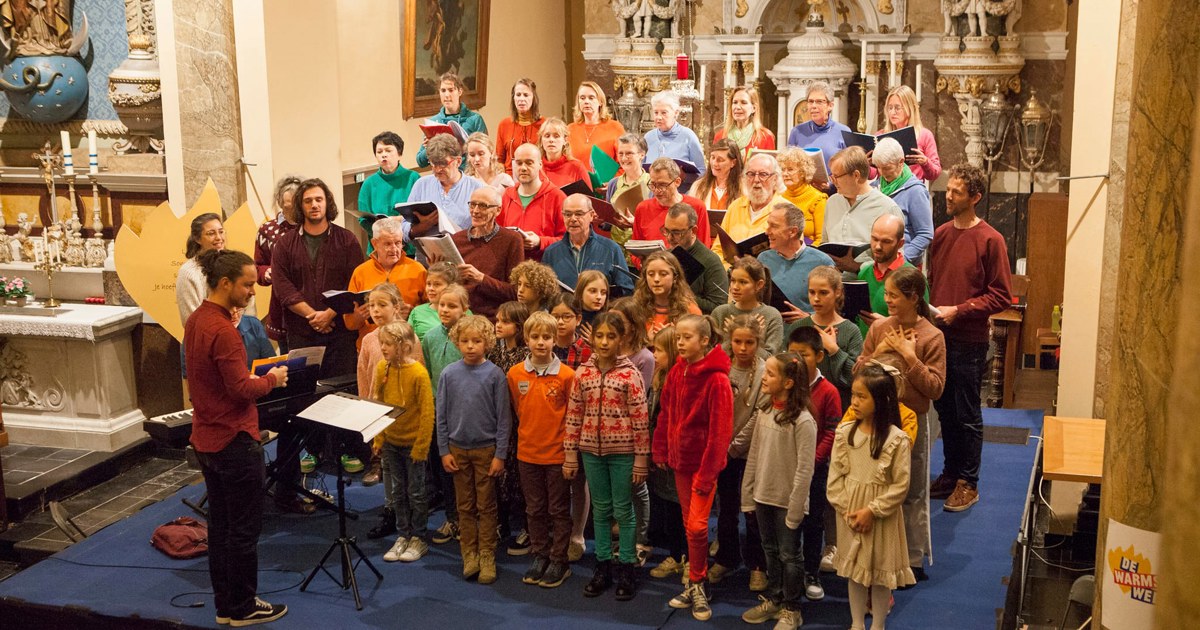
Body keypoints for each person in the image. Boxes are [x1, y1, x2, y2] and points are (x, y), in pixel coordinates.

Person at [185, 248, 289, 627]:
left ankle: (225, 605)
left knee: (221, 528)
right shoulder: (224, 331)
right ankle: (244, 607)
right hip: (234, 439)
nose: (252, 290)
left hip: (207, 438)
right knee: (243, 531)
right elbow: (240, 389)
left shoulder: (198, 319)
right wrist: (272, 379)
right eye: (247, 284)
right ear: (225, 283)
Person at [928, 164, 1012, 512]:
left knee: (967, 413)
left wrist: (959, 310)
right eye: (948, 189)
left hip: (969, 339)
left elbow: (1001, 295)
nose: (948, 195)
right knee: (944, 410)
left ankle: (969, 482)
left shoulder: (991, 239)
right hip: (939, 337)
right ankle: (950, 472)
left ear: (975, 198)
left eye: (957, 192)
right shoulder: (942, 234)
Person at [854, 266, 946, 582]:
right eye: (888, 294)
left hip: (912, 424)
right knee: (876, 487)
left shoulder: (933, 336)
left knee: (912, 489)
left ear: (913, 297)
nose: (888, 301)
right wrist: (878, 352)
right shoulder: (880, 329)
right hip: (877, 421)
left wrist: (910, 356)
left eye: (893, 295)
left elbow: (935, 388)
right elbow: (859, 375)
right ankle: (880, 554)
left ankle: (913, 557)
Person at [566, 312, 650, 601]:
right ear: (591, 337)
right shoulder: (583, 374)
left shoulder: (630, 374)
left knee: (623, 510)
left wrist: (641, 459)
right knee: (601, 510)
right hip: (591, 452)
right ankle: (602, 565)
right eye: (599, 335)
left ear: (621, 339)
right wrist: (570, 455)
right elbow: (574, 415)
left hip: (623, 453)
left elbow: (640, 419)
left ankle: (626, 565)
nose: (603, 341)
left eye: (610, 336)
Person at [657, 314, 733, 622]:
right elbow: (665, 413)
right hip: (680, 464)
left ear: (704, 341)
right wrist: (661, 448)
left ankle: (699, 582)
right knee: (690, 524)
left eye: (686, 338)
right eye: (678, 338)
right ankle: (694, 581)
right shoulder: (676, 372)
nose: (680, 343)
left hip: (703, 468)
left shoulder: (717, 380)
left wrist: (707, 474)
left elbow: (719, 434)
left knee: (699, 526)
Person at [827, 365, 916, 630]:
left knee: (879, 576)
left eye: (861, 396)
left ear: (882, 400)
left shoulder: (896, 440)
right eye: (853, 395)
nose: (854, 402)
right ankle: (856, 623)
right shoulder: (845, 433)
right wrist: (848, 510)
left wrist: (872, 511)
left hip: (881, 518)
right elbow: (835, 478)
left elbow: (900, 485)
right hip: (850, 515)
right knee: (854, 574)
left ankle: (878, 624)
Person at [738, 353, 817, 630]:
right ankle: (774, 598)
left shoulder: (804, 421)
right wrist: (748, 494)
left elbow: (805, 470)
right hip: (763, 496)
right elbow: (755, 456)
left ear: (788, 382)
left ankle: (792, 608)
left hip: (787, 502)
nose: (764, 378)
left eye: (770, 374)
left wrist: (796, 509)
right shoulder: (766, 412)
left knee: (789, 555)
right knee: (769, 550)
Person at [436, 314, 513, 585]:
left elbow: (504, 419)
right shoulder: (448, 374)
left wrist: (500, 454)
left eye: (477, 341)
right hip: (457, 450)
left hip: (486, 451)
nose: (470, 346)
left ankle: (487, 554)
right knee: (464, 506)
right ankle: (469, 554)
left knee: (486, 505)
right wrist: (444, 450)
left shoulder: (495, 374)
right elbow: (441, 415)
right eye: (465, 341)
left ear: (487, 342)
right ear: (457, 342)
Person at [509, 311, 576, 589]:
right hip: (528, 454)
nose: (541, 342)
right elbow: (517, 410)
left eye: (547, 337)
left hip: (557, 455)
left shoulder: (567, 375)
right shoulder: (514, 374)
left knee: (558, 509)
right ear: (526, 339)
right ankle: (540, 554)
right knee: (534, 508)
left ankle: (559, 558)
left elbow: (572, 417)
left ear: (555, 339)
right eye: (535, 337)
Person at [271, 178, 363, 379]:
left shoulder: (347, 240)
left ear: (327, 203)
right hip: (301, 333)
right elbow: (283, 287)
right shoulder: (285, 245)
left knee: (342, 393)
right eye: (308, 201)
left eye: (319, 199)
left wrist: (329, 314)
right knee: (305, 395)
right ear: (300, 206)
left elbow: (354, 282)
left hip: (340, 333)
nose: (314, 205)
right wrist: (313, 316)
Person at [784, 327, 846, 602]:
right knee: (787, 524)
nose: (796, 360)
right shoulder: (785, 385)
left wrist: (811, 462)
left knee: (812, 524)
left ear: (819, 356)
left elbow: (832, 432)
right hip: (786, 468)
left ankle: (811, 573)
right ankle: (788, 574)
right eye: (792, 353)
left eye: (804, 354)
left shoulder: (829, 391)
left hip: (815, 471)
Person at [710, 315, 769, 593]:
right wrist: (721, 447)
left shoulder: (766, 371)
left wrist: (733, 448)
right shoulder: (721, 367)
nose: (743, 348)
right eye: (737, 342)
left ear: (759, 342)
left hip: (751, 452)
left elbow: (759, 415)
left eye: (750, 342)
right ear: (729, 341)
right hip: (722, 450)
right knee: (726, 508)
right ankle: (727, 557)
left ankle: (758, 565)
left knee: (752, 511)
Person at [374, 321, 435, 564]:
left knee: (416, 492)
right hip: (391, 441)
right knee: (397, 492)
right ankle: (403, 534)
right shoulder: (382, 368)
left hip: (413, 444)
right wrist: (379, 437)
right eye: (382, 343)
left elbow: (427, 412)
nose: (383, 348)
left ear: (405, 346)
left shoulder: (418, 373)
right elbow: (379, 405)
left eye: (388, 344)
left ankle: (419, 537)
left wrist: (421, 446)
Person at [358, 282, 421, 494]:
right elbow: (364, 376)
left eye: (382, 305)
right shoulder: (368, 340)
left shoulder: (410, 336)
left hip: (405, 413)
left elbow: (418, 375)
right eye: (372, 305)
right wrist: (365, 407)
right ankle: (390, 508)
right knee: (386, 464)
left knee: (408, 474)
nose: (375, 310)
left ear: (397, 306)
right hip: (378, 410)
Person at [424, 284, 470, 545]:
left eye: (452, 306)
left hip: (465, 412)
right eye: (442, 304)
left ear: (464, 309)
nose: (445, 310)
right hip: (438, 412)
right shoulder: (430, 337)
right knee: (444, 467)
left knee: (465, 469)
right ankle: (452, 517)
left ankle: (468, 518)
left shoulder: (470, 336)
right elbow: (431, 373)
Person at [486, 301, 533, 557]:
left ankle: (527, 527)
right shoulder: (494, 352)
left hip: (520, 422)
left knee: (519, 478)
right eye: (497, 319)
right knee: (499, 476)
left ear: (518, 326)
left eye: (505, 321)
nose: (498, 325)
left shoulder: (525, 355)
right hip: (497, 421)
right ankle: (501, 522)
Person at [646, 326, 689, 581]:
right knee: (668, 507)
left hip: (677, 456)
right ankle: (675, 554)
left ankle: (688, 557)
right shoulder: (660, 375)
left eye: (658, 350)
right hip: (660, 453)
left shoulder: (680, 378)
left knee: (680, 508)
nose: (654, 354)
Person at [345, 217, 427, 350]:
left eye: (398, 243)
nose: (394, 249)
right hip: (371, 348)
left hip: (407, 346)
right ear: (374, 243)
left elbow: (432, 312)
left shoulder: (418, 270)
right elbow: (349, 324)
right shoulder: (360, 272)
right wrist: (358, 317)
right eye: (388, 244)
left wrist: (413, 313)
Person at [790, 266, 865, 408]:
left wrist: (834, 349)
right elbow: (786, 367)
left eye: (823, 293)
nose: (816, 299)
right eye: (812, 292)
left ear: (837, 292)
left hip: (838, 406)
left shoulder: (851, 330)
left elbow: (855, 378)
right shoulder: (798, 326)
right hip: (801, 404)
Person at [824, 147, 903, 278]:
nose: (833, 181)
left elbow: (896, 262)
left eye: (836, 176)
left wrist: (856, 267)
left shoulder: (887, 208)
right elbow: (825, 241)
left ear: (856, 175)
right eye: (831, 176)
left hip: (870, 287)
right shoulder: (832, 202)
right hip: (833, 286)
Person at [449, 187, 525, 321]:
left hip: (493, 318)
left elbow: (515, 291)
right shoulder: (457, 239)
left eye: (483, 206)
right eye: (472, 204)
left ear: (498, 210)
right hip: (459, 315)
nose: (476, 211)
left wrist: (481, 279)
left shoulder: (511, 240)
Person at [542, 194, 635, 296]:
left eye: (579, 214)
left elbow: (626, 290)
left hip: (601, 310)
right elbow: (544, 292)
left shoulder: (611, 249)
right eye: (568, 214)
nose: (573, 219)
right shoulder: (551, 252)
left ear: (591, 215)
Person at [757, 200, 835, 320]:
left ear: (793, 232)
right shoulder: (763, 258)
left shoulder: (822, 262)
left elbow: (836, 309)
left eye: (774, 226)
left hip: (808, 332)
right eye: (768, 225)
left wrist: (808, 318)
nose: (767, 232)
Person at [407, 133, 487, 239]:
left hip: (464, 251)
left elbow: (485, 228)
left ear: (458, 161)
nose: (438, 169)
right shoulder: (421, 185)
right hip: (427, 252)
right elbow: (405, 228)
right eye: (433, 164)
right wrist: (423, 226)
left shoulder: (476, 188)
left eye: (443, 164)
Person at [712, 152, 787, 263]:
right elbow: (718, 250)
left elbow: (790, 255)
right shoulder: (735, 207)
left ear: (775, 179)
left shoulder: (786, 211)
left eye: (763, 174)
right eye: (751, 174)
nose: (756, 180)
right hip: (732, 275)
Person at [255, 175, 302, 349]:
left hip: (310, 307)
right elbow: (257, 265)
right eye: (286, 207)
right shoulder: (267, 230)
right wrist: (266, 272)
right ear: (280, 202)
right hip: (281, 309)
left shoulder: (313, 228)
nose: (290, 212)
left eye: (295, 206)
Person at [498, 143, 567, 258]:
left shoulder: (557, 197)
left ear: (540, 164)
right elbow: (498, 232)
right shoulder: (507, 195)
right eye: (519, 163)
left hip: (545, 267)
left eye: (529, 163)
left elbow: (568, 240)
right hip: (512, 267)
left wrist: (540, 242)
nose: (523, 168)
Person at [871, 138, 934, 262]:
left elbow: (925, 233)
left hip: (902, 266)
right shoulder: (874, 187)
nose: (882, 173)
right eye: (878, 167)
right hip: (877, 261)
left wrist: (902, 260)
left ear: (901, 162)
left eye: (887, 168)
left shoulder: (915, 191)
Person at [661, 203, 728, 314]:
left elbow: (718, 306)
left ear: (693, 231)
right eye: (666, 231)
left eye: (677, 233)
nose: (669, 238)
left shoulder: (710, 261)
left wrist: (679, 295)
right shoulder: (666, 256)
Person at [632, 158, 711, 249]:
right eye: (653, 184)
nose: (657, 190)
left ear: (677, 182)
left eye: (663, 185)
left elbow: (704, 247)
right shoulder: (643, 208)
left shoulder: (697, 206)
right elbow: (635, 249)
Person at [712, 256, 784, 356]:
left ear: (759, 285)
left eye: (743, 282)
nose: (735, 287)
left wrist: (751, 336)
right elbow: (711, 356)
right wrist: (731, 337)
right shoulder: (720, 313)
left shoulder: (771, 315)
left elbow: (771, 358)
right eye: (733, 281)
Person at [857, 214, 914, 338]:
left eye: (886, 241)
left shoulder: (912, 277)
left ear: (900, 243)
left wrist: (886, 326)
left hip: (895, 351)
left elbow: (923, 329)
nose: (877, 246)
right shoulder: (865, 272)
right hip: (865, 351)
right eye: (874, 239)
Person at [416, 72, 488, 169]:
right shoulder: (434, 122)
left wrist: (464, 148)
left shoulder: (474, 119)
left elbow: (485, 154)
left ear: (459, 92)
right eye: (443, 90)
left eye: (451, 90)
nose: (446, 95)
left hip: (468, 176)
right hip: (442, 176)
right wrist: (429, 148)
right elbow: (420, 162)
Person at [358, 131, 420, 238]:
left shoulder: (413, 178)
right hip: (379, 245)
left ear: (399, 154)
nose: (384, 155)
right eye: (379, 152)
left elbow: (421, 214)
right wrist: (383, 236)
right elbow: (363, 219)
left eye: (388, 150)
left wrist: (399, 222)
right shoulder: (369, 183)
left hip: (409, 242)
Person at [875, 85, 941, 183]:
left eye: (897, 108)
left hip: (912, 191)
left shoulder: (924, 135)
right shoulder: (880, 135)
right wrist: (867, 164)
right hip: (885, 192)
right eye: (890, 108)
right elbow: (872, 174)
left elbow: (934, 173)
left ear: (910, 108)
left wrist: (925, 162)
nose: (892, 112)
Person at [643, 91, 706, 191]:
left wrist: (684, 176)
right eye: (656, 112)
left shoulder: (688, 136)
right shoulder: (648, 137)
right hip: (653, 197)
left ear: (676, 113)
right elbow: (641, 172)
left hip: (681, 198)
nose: (658, 117)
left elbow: (703, 173)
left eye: (664, 113)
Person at [786, 81, 850, 179]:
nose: (813, 106)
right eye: (810, 101)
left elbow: (849, 169)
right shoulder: (797, 132)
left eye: (819, 101)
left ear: (830, 105)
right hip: (804, 190)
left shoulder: (843, 132)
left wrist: (831, 185)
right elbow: (789, 165)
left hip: (835, 190)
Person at [177, 213, 226, 332]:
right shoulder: (189, 272)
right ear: (197, 239)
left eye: (221, 231)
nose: (219, 237)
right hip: (204, 338)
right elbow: (191, 319)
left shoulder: (231, 264)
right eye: (211, 233)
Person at [634, 251, 702, 335]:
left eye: (663, 274)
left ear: (675, 277)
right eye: (651, 274)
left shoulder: (690, 311)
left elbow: (697, 345)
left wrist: (669, 341)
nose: (656, 279)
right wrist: (648, 342)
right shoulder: (636, 308)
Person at [604, 133, 650, 253]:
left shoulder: (652, 183)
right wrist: (601, 219)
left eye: (629, 153)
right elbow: (609, 221)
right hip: (617, 248)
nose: (624, 158)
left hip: (642, 248)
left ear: (642, 155)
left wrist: (636, 223)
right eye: (621, 153)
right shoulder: (614, 184)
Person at [568, 80, 626, 169]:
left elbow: (624, 163)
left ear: (600, 102)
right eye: (582, 98)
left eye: (591, 98)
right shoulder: (570, 129)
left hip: (607, 181)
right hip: (577, 181)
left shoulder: (615, 128)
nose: (586, 101)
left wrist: (611, 182)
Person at [777, 148, 828, 246]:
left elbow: (821, 239)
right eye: (783, 169)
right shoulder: (778, 198)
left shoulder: (818, 199)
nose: (785, 174)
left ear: (803, 172)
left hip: (810, 252)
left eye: (790, 169)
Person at [496, 78, 545, 175]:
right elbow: (499, 160)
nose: (521, 99)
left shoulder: (544, 125)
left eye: (526, 95)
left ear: (533, 98)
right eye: (518, 95)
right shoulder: (504, 124)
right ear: (513, 98)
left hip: (536, 178)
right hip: (510, 179)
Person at [713, 86, 776, 157]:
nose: (737, 107)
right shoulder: (720, 136)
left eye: (743, 102)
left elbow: (769, 167)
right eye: (735, 102)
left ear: (754, 108)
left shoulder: (765, 136)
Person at [409, 261, 461, 341]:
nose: (431, 288)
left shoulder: (462, 311)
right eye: (428, 284)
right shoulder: (417, 311)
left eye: (437, 284)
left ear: (451, 286)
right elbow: (408, 340)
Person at [688, 139, 743, 211]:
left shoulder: (744, 189)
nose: (714, 163)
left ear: (733, 163)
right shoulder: (698, 187)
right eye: (713, 157)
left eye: (720, 160)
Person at [539, 117, 590, 188]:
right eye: (547, 136)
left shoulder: (577, 167)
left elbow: (588, 198)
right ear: (541, 141)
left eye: (556, 136)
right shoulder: (536, 167)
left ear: (565, 140)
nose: (551, 140)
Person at [548, 292, 592, 370]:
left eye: (567, 317)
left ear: (578, 319)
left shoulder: (586, 349)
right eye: (555, 317)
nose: (560, 322)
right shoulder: (545, 346)